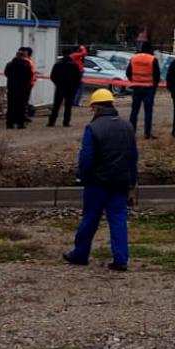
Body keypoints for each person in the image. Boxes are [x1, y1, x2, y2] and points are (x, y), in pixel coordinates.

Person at [63, 89, 138, 272]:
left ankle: (80, 254)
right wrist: (132, 183)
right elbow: (133, 157)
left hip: (97, 184)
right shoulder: (127, 126)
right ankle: (121, 259)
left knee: (90, 219)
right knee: (118, 221)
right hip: (120, 183)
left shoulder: (93, 128)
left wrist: (83, 177)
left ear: (96, 107)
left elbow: (86, 158)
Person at [126, 42, 161, 139]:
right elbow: (157, 75)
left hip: (136, 87)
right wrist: (154, 86)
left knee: (134, 111)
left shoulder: (134, 58)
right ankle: (147, 133)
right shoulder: (152, 59)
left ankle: (132, 132)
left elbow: (128, 72)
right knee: (148, 111)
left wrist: (134, 80)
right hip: (149, 88)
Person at [48, 47, 82, 127]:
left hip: (60, 87)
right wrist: (74, 87)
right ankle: (66, 122)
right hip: (70, 87)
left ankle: (52, 121)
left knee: (56, 105)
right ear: (71, 54)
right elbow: (78, 78)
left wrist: (57, 83)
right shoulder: (74, 65)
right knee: (68, 106)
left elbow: (52, 76)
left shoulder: (58, 64)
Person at [4, 47, 34, 129]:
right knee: (21, 106)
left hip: (12, 88)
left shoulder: (9, 64)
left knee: (11, 106)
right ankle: (20, 123)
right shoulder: (26, 65)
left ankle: (9, 123)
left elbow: (6, 73)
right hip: (22, 88)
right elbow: (30, 75)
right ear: (23, 56)